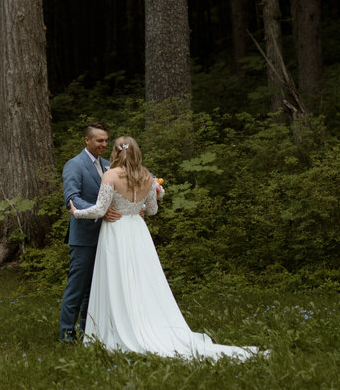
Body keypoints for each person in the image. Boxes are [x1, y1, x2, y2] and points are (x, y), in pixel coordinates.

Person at [71, 136, 262, 360]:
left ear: (114, 152)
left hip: (115, 231)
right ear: (137, 152)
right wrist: (137, 208)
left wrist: (77, 212)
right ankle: (145, 322)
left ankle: (116, 328)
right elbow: (152, 210)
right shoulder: (147, 176)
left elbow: (99, 210)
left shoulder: (110, 175)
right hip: (138, 231)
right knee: (142, 280)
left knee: (117, 278)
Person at [59, 121, 121, 343]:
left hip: (106, 236)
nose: (104, 144)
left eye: (106, 140)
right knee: (77, 287)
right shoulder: (74, 165)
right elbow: (72, 199)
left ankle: (89, 332)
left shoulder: (107, 165)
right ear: (87, 140)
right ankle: (67, 332)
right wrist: (100, 211)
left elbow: (132, 172)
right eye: (99, 140)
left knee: (94, 289)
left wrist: (152, 181)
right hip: (84, 236)